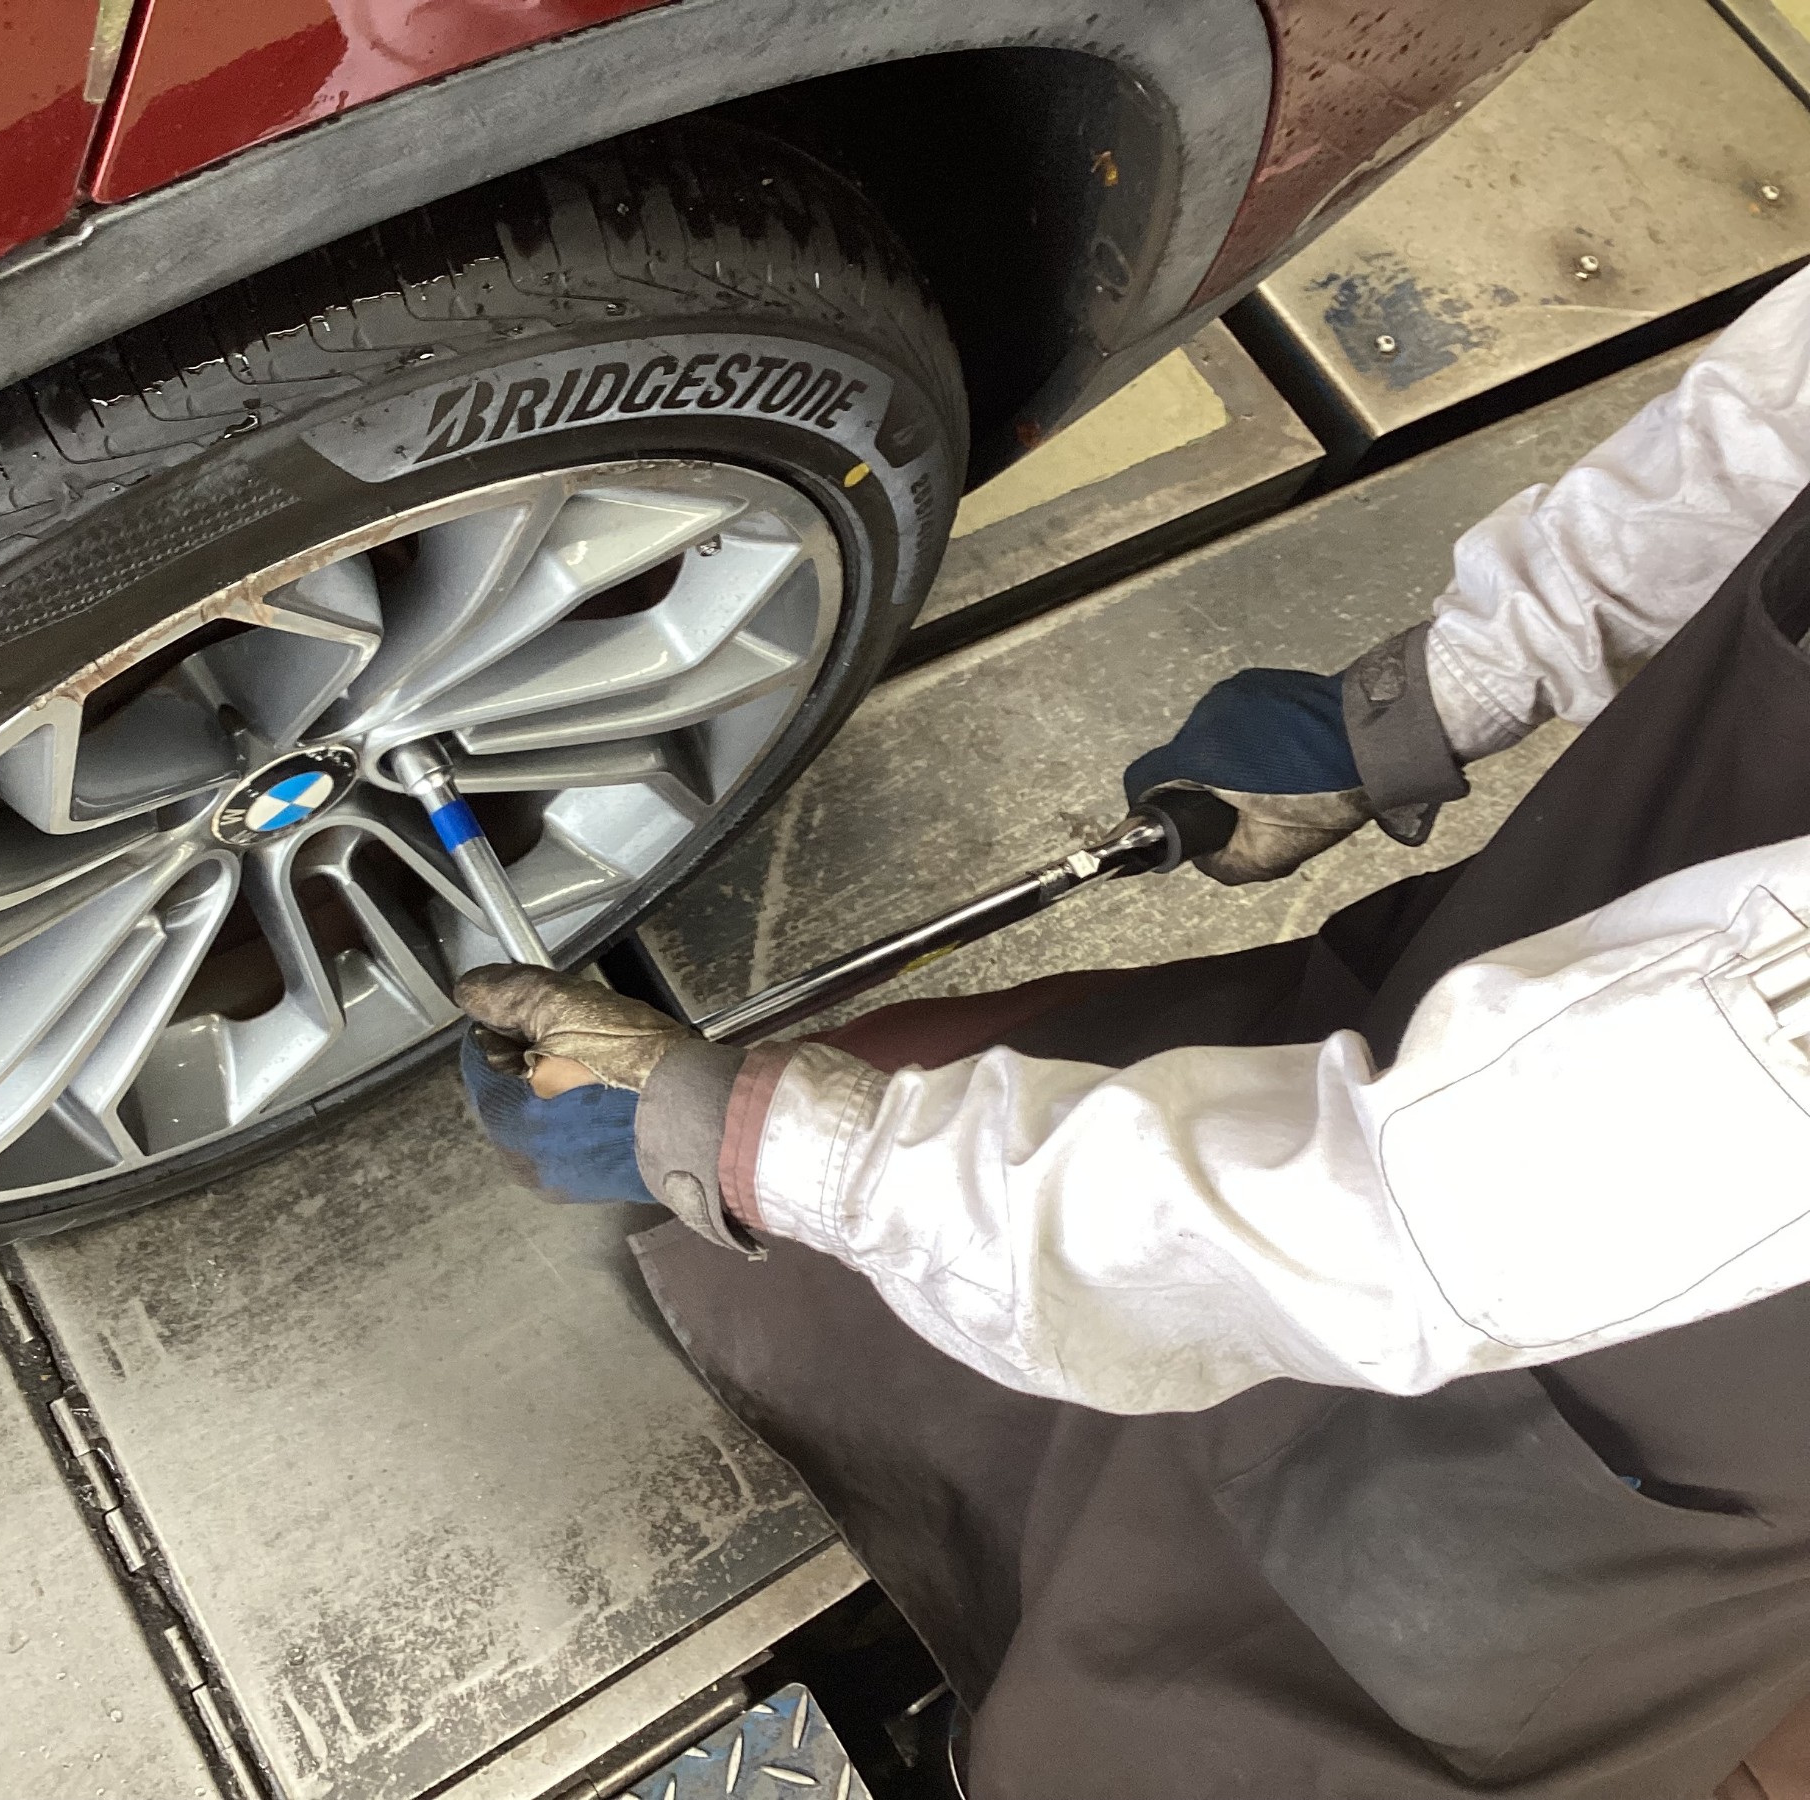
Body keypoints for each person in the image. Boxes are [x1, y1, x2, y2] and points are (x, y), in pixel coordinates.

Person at [457, 262, 1810, 1799]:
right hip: (1548, 994)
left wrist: (762, 1141)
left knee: (1201, 1712)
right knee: (1064, 1284)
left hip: (1670, 1369)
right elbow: (1783, 418)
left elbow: (1388, 1213)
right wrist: (1442, 688)